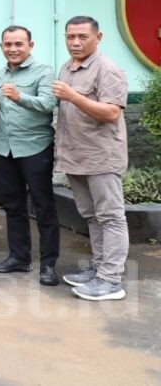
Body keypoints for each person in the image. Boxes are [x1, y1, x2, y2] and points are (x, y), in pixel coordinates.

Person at [53, 16, 130, 301]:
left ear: (98, 37)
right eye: (70, 36)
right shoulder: (67, 67)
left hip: (101, 156)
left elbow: (111, 113)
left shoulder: (108, 69)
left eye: (82, 37)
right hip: (75, 155)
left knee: (110, 216)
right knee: (91, 216)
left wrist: (73, 96)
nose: (75, 42)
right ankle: (99, 270)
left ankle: (111, 280)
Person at [0, 25, 60, 286]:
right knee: (13, 205)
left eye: (19, 44)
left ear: (31, 45)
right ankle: (19, 257)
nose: (13, 49)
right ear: (1, 47)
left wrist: (20, 97)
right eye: (8, 44)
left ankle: (49, 264)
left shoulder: (43, 71)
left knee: (44, 206)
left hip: (35, 147)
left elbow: (48, 104)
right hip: (4, 148)